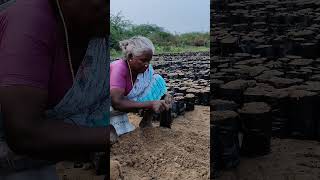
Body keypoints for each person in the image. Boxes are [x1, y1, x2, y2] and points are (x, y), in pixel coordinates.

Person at [0, 0, 110, 179]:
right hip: (15, 164)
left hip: (66, 157)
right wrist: (108, 136)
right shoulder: (30, 21)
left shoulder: (99, 33)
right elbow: (23, 133)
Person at [110, 36, 173, 136]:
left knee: (158, 81)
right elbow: (116, 103)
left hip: (125, 99)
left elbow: (154, 86)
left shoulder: (146, 70)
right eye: (143, 60)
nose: (147, 64)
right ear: (130, 57)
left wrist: (165, 95)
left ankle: (146, 121)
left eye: (149, 61)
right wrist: (150, 103)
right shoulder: (119, 68)